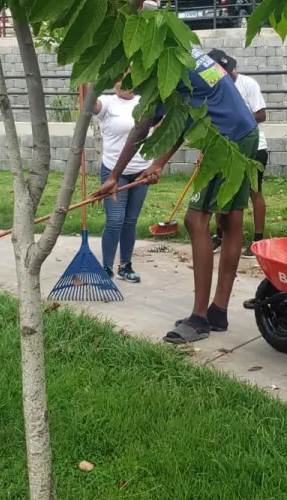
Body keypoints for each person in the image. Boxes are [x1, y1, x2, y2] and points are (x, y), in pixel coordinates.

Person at [94, 47, 260, 344]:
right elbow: (185, 118)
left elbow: (142, 128)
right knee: (230, 220)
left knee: (195, 221)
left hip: (226, 140)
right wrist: (159, 163)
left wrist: (114, 176)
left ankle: (199, 319)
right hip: (244, 132)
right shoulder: (181, 52)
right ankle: (218, 311)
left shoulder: (162, 67)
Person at [207, 50, 268, 259]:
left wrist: (236, 120)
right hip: (224, 147)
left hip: (253, 146)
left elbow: (261, 114)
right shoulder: (213, 88)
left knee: (253, 191)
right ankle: (220, 236)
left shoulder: (248, 84)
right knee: (221, 190)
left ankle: (257, 239)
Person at [93, 81, 151, 283]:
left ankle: (125, 266)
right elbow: (88, 103)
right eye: (120, 78)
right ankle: (106, 268)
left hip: (141, 172)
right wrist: (86, 75)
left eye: (130, 77)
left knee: (130, 221)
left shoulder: (146, 102)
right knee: (115, 220)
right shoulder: (107, 103)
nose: (125, 83)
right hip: (113, 173)